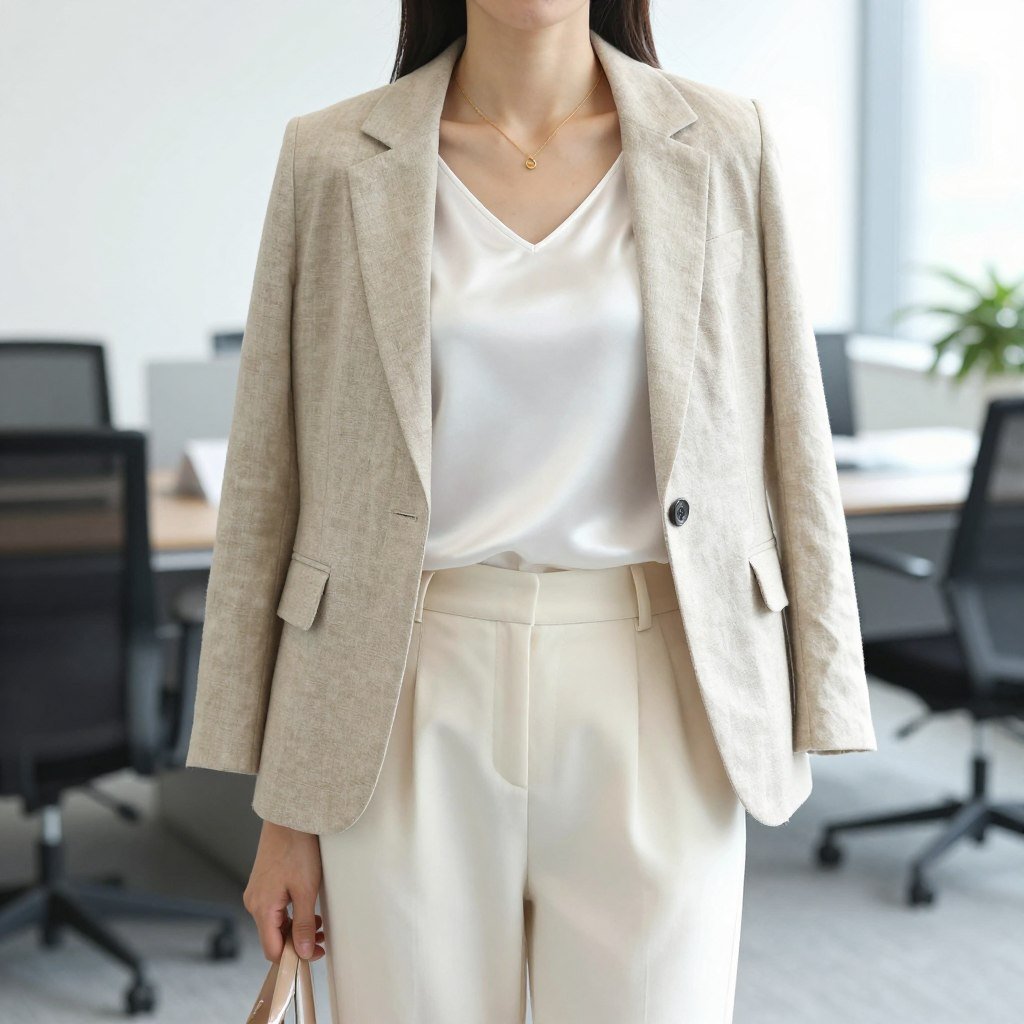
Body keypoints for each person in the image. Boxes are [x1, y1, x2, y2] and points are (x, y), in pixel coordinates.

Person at [186, 3, 878, 1021]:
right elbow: (268, 478)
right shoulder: (332, 158)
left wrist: (825, 690)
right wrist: (279, 808)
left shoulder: (728, 141)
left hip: (656, 678)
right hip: (405, 685)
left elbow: (791, 439)